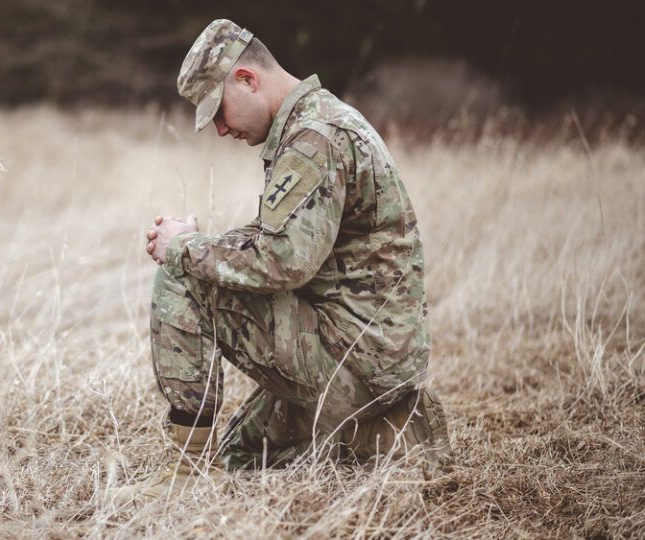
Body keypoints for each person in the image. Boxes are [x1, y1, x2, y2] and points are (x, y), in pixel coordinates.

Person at [113, 19, 453, 505]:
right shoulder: (319, 121)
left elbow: (284, 261)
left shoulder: (314, 137)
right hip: (370, 357)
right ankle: (379, 431)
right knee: (240, 456)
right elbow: (285, 240)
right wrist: (203, 240)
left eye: (220, 112)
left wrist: (185, 249)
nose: (221, 128)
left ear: (247, 79)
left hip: (348, 359)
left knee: (181, 280)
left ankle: (184, 478)